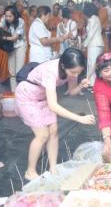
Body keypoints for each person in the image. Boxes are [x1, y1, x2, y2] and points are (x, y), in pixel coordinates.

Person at [15, 48, 95, 180]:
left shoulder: (71, 70)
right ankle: (30, 171)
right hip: (27, 97)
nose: (75, 75)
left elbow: (71, 92)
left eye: (79, 72)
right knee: (42, 135)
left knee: (54, 130)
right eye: (73, 72)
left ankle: (53, 168)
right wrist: (79, 118)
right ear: (63, 66)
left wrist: (80, 86)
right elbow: (53, 105)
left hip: (43, 96)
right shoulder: (50, 72)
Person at [0, 6, 26, 90]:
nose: (7, 18)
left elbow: (15, 38)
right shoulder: (4, 19)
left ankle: (20, 92)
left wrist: (3, 38)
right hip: (10, 47)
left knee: (19, 70)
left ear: (15, 15)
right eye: (6, 16)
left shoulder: (20, 21)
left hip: (20, 46)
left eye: (10, 16)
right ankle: (13, 92)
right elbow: (0, 31)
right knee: (11, 71)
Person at [83, 2, 104, 85]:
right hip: (97, 44)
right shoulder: (96, 18)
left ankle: (92, 83)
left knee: (92, 64)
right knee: (93, 64)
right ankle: (92, 82)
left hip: (94, 44)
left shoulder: (92, 19)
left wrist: (84, 44)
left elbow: (91, 34)